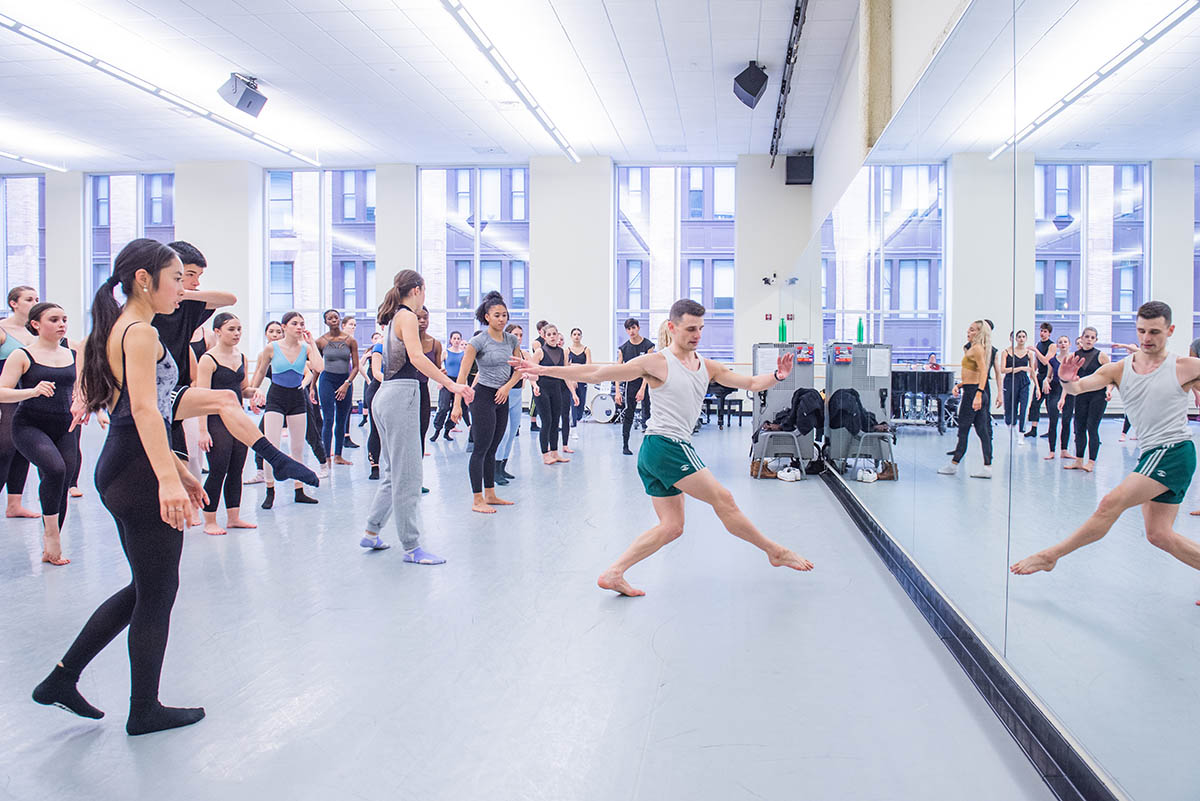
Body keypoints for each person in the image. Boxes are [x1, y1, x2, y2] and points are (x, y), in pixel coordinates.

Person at [511, 298, 813, 596]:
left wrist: (777, 376)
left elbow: (750, 383)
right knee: (725, 499)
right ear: (672, 327)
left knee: (672, 526)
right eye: (690, 329)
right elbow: (596, 373)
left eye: (701, 329)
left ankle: (614, 573)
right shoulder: (657, 362)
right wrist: (543, 371)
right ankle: (775, 551)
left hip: (659, 450)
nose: (696, 335)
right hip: (666, 446)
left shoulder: (706, 366)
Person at [31, 239, 211, 735]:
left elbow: (132, 410)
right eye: (177, 278)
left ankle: (61, 680)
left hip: (124, 464)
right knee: (158, 590)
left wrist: (179, 469)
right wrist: (167, 479)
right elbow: (147, 411)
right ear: (144, 280)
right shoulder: (140, 333)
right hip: (136, 470)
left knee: (145, 587)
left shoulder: (124, 327)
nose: (183, 289)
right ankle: (144, 709)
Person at [1012, 301, 1200, 605]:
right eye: (1141, 331)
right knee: (1159, 535)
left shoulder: (1185, 367)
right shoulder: (1119, 369)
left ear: (1170, 330)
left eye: (1154, 331)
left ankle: (1051, 556)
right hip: (1150, 453)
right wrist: (1066, 379)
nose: (1146, 338)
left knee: (1110, 503)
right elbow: (1077, 389)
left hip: (1173, 452)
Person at [360, 269, 473, 561]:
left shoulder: (394, 318)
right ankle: (411, 546)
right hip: (402, 396)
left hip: (386, 396)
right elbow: (417, 356)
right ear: (418, 289)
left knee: (390, 473)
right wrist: (450, 384)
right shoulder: (407, 316)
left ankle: (371, 531)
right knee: (408, 476)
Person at [0, 302, 80, 565]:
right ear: (35, 324)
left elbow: (80, 389)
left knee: (65, 477)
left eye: (64, 319)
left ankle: (53, 535)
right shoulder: (22, 355)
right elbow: (2, 390)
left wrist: (89, 407)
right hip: (29, 425)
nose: (62, 324)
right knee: (54, 470)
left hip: (66, 426)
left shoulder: (71, 354)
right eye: (54, 319)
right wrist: (31, 391)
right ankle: (51, 536)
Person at [149, 242, 236, 479]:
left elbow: (229, 298)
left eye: (199, 276)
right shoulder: (145, 313)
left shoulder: (186, 307)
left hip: (176, 390)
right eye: (190, 275)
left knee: (184, 463)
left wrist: (184, 293)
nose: (197, 282)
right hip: (149, 395)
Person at [451, 292, 521, 513]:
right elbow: (462, 376)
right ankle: (477, 498)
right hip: (482, 397)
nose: (502, 319)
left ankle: (490, 494)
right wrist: (456, 404)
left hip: (502, 396)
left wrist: (507, 386)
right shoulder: (477, 341)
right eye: (497, 315)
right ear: (487, 317)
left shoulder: (512, 340)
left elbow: (520, 369)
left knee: (493, 447)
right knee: (481, 448)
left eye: (504, 315)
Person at [249, 311, 324, 508]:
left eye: (301, 323)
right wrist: (252, 393)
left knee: (297, 448)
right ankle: (270, 490)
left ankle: (299, 490)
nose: (299, 327)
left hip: (297, 398)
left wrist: (313, 344)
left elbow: (319, 366)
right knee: (271, 446)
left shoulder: (305, 348)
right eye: (294, 324)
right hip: (276, 398)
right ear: (284, 327)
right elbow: (260, 371)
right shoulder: (271, 348)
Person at [195, 313, 258, 536]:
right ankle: (209, 520)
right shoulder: (208, 359)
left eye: (239, 329)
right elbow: (201, 397)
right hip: (215, 419)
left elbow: (242, 390)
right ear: (218, 331)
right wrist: (203, 431)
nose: (237, 333)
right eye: (231, 329)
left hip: (238, 418)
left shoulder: (240, 356)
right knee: (218, 469)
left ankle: (233, 517)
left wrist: (256, 393)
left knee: (236, 469)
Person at [1, 285, 38, 518]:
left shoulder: (35, 330)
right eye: (28, 299)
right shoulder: (3, 330)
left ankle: (14, 504)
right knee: (5, 448)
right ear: (14, 303)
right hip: (7, 397)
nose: (34, 302)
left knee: (22, 449)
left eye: (36, 298)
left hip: (29, 396)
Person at [939, 320, 994, 478]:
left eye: (972, 330)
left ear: (979, 332)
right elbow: (973, 374)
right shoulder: (973, 349)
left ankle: (954, 464)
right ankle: (987, 466)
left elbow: (983, 373)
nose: (968, 332)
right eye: (968, 329)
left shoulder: (977, 349)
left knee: (964, 429)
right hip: (971, 389)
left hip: (974, 393)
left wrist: (978, 394)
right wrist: (961, 385)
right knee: (982, 431)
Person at [314, 309, 360, 470]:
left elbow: (355, 367)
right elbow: (316, 367)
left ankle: (338, 455)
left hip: (344, 381)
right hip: (327, 381)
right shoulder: (320, 341)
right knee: (328, 419)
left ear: (339, 319)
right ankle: (326, 457)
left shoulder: (350, 341)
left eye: (335, 317)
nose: (333, 320)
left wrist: (346, 383)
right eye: (329, 318)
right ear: (325, 321)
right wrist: (312, 386)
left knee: (342, 419)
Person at [1065, 326, 1111, 472]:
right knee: (1079, 428)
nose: (1089, 339)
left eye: (1092, 337)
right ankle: (1078, 460)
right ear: (1082, 338)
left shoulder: (1101, 356)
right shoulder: (1074, 356)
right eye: (1087, 337)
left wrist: (1109, 390)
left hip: (1098, 395)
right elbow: (1069, 377)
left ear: (1096, 340)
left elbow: (1111, 376)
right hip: (1081, 394)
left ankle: (1091, 461)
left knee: (1092, 427)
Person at [494, 323, 533, 484]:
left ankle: (503, 467)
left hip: (517, 395)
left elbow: (530, 373)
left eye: (521, 335)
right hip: (505, 394)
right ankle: (495, 471)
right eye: (515, 334)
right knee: (504, 432)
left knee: (512, 433)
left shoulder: (522, 354)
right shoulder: (504, 353)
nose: (518, 337)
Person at [531, 323, 570, 465]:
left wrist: (574, 393)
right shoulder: (540, 352)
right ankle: (545, 454)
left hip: (556, 389)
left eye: (554, 334)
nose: (552, 337)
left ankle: (555, 452)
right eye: (549, 334)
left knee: (555, 422)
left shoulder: (562, 352)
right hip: (542, 390)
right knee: (546, 421)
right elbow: (531, 371)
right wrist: (534, 385)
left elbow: (566, 373)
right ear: (544, 337)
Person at [616, 317, 655, 455]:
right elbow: (618, 370)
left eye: (633, 328)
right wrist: (617, 392)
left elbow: (648, 370)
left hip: (646, 382)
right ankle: (625, 445)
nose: (631, 331)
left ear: (638, 328)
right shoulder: (623, 349)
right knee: (629, 413)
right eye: (628, 329)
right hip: (630, 384)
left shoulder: (648, 345)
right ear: (626, 331)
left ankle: (650, 448)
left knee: (648, 413)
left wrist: (642, 389)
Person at [431, 331, 468, 441]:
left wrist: (463, 385)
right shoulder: (445, 353)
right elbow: (437, 367)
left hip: (458, 382)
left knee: (454, 408)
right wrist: (440, 380)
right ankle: (437, 430)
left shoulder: (463, 354)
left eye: (458, 338)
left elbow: (464, 371)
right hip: (447, 381)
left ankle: (448, 431)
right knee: (443, 407)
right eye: (454, 338)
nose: (456, 340)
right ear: (451, 340)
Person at [1001, 330, 1038, 434]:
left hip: (1024, 381)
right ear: (1015, 339)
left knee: (1024, 407)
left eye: (1023, 337)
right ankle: (1011, 429)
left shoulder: (1029, 353)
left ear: (1026, 338)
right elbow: (1002, 370)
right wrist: (1020, 368)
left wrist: (1037, 387)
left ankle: (1022, 431)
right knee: (1010, 407)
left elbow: (1032, 371)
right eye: (1019, 337)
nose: (1021, 339)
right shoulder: (1006, 352)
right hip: (1010, 380)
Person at [416, 307, 442, 452]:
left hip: (423, 388)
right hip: (406, 389)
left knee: (422, 427)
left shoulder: (435, 344)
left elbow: (437, 369)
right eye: (418, 318)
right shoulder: (404, 342)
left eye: (425, 318)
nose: (422, 321)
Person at [1042, 335, 1070, 460]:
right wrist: (1045, 381)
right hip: (1055, 390)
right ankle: (1052, 451)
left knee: (1066, 421)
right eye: (1060, 342)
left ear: (1069, 344)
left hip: (1069, 391)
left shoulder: (1073, 359)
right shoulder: (1052, 360)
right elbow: (1049, 376)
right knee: (1053, 421)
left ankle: (1064, 450)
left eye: (1065, 342)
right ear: (1057, 345)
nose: (1063, 344)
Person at [1025, 322, 1054, 437]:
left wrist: (1035, 351)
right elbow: (1037, 363)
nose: (1042, 333)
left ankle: (1051, 430)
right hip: (1040, 376)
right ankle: (1033, 429)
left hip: (1049, 377)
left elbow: (1046, 361)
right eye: (1041, 331)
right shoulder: (1039, 344)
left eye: (1045, 331)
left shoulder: (1052, 345)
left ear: (1049, 333)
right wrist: (1032, 371)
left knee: (1050, 405)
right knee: (1035, 403)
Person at [362, 331, 384, 480]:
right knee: (375, 429)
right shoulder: (379, 345)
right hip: (378, 388)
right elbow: (376, 372)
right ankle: (374, 466)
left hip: (395, 389)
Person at [341, 315, 361, 449]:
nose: (353, 327)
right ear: (343, 326)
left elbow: (356, 364)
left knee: (347, 408)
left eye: (354, 325)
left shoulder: (352, 341)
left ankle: (346, 436)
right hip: (337, 377)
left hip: (348, 377)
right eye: (350, 324)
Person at [567, 328, 591, 426]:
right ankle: (573, 423)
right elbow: (566, 366)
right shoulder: (567, 350)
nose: (576, 336)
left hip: (582, 379)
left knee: (581, 403)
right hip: (572, 379)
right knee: (573, 401)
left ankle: (578, 417)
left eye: (578, 334)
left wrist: (575, 366)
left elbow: (588, 365)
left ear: (581, 336)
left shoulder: (586, 350)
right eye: (574, 334)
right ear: (571, 336)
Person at [528, 320, 548, 432]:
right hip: (537, 372)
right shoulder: (537, 342)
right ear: (540, 331)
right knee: (535, 398)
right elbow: (542, 355)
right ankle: (533, 422)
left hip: (546, 372)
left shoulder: (549, 341)